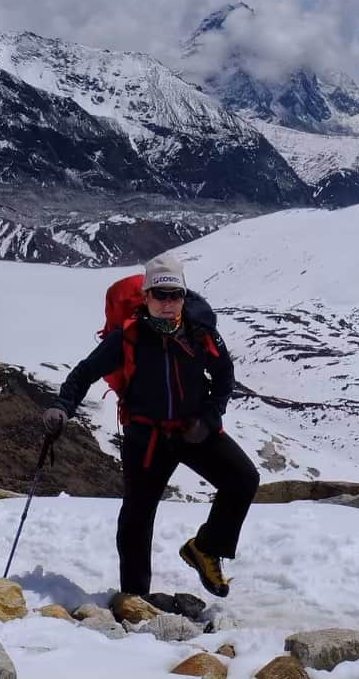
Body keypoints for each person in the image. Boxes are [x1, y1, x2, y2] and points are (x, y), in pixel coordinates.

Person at [41, 254, 259, 598]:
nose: (168, 304)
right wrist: (61, 407)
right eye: (160, 296)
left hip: (193, 430)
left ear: (184, 297)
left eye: (175, 295)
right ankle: (135, 598)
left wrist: (209, 419)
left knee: (243, 479)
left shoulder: (201, 332)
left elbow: (223, 376)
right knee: (138, 516)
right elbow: (84, 373)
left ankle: (205, 548)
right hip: (148, 438)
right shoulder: (128, 337)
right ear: (146, 298)